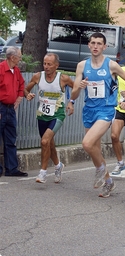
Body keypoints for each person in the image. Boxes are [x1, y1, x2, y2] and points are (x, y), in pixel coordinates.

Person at [70, 32, 125, 198]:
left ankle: (100, 170)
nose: (96, 46)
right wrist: (80, 87)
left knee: (87, 143)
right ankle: (108, 182)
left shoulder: (111, 65)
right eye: (93, 43)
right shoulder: (82, 66)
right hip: (89, 110)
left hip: (106, 110)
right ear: (89, 45)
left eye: (99, 43)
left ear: (104, 46)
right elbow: (75, 94)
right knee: (94, 149)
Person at [25, 53, 75, 183]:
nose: (46, 67)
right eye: (44, 63)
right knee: (49, 143)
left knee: (44, 141)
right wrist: (28, 95)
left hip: (57, 115)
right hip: (42, 115)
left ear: (56, 66)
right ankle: (58, 166)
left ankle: (43, 173)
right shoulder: (38, 76)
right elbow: (25, 89)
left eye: (49, 64)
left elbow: (75, 89)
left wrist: (71, 102)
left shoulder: (63, 78)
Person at [0, 46, 28, 177]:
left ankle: (11, 168)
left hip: (10, 109)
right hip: (1, 106)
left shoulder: (16, 71)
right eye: (19, 57)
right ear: (12, 57)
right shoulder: (1, 69)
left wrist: (19, 97)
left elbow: (22, 84)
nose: (20, 59)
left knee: (11, 139)